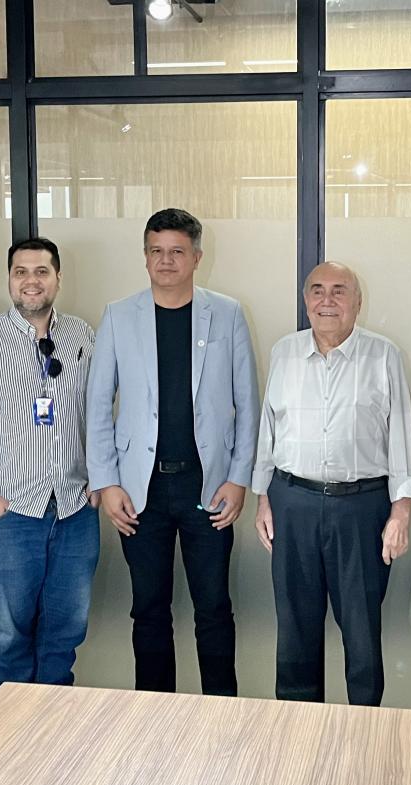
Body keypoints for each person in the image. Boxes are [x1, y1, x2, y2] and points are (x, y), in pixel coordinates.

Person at [86, 208, 258, 696]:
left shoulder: (227, 313)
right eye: (156, 251)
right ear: (145, 257)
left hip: (209, 486)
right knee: (148, 610)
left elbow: (248, 402)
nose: (166, 261)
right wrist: (107, 481)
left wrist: (239, 478)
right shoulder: (120, 315)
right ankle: (153, 716)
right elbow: (97, 405)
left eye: (177, 251)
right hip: (140, 490)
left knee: (214, 608)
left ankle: (222, 714)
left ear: (197, 257)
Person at [253, 261, 411, 707]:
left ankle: (364, 728)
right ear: (306, 300)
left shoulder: (383, 355)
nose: (327, 300)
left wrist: (401, 512)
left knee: (362, 628)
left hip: (361, 508)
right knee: (294, 625)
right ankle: (297, 725)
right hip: (292, 502)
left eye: (339, 291)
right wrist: (263, 498)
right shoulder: (284, 352)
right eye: (317, 290)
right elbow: (269, 431)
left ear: (357, 303)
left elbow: (402, 436)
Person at [0, 237, 99, 692]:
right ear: (9, 280)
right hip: (11, 512)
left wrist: (100, 481)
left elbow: (99, 412)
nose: (31, 281)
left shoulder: (82, 335)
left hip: (74, 509)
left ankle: (53, 723)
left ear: (58, 278)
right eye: (21, 272)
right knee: (12, 634)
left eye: (41, 271)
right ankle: (12, 728)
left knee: (66, 631)